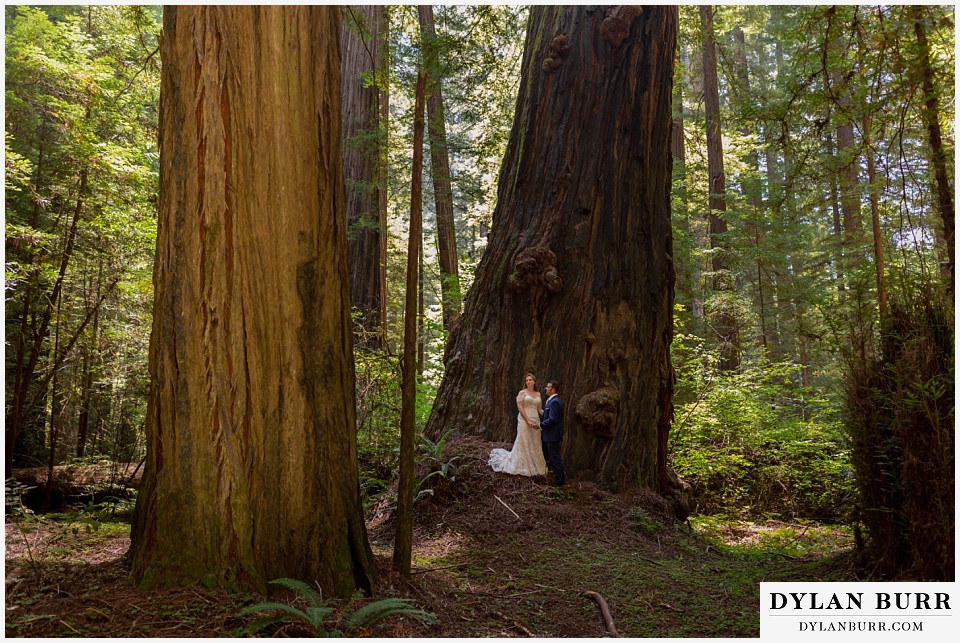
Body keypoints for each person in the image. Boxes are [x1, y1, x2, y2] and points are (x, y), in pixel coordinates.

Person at [488, 373, 548, 477]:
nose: (528, 382)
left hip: (535, 420)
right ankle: (522, 465)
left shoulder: (538, 394)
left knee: (535, 441)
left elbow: (539, 409)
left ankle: (536, 465)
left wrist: (549, 414)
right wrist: (528, 420)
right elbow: (520, 407)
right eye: (527, 380)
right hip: (524, 419)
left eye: (530, 380)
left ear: (534, 381)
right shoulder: (522, 393)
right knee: (524, 439)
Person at [539, 380, 566, 486]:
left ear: (553, 389)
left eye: (548, 387)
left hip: (552, 436)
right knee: (551, 457)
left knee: (556, 459)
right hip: (548, 435)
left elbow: (552, 419)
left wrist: (540, 425)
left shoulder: (555, 402)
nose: (546, 388)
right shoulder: (550, 401)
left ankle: (560, 482)